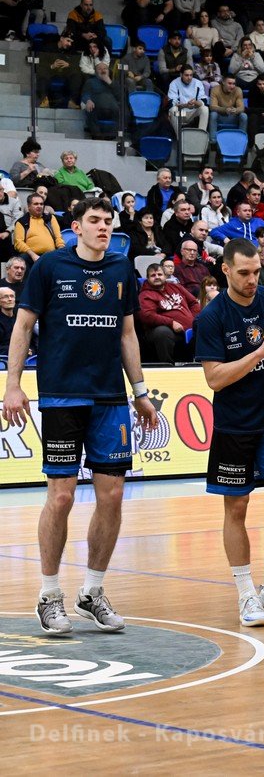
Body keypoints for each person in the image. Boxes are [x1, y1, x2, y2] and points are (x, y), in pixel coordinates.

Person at [4, 196, 158, 637]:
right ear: (76, 227)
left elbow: (128, 334)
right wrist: (13, 385)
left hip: (110, 398)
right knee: (62, 497)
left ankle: (92, 591)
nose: (103, 227)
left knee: (113, 495)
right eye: (94, 220)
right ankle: (48, 594)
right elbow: (23, 326)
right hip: (61, 396)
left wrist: (140, 392)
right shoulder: (50, 267)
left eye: (108, 221)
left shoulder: (120, 269)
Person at [194, 237, 264, 627]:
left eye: (257, 271)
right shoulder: (212, 317)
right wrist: (260, 352)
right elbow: (214, 378)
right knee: (237, 508)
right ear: (225, 270)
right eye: (244, 272)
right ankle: (246, 594)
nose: (252, 279)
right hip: (234, 426)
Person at [137, 261, 201, 362]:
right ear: (147, 278)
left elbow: (194, 303)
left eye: (159, 274)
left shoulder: (176, 287)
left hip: (189, 328)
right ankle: (167, 366)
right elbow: (147, 315)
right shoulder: (145, 295)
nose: (157, 277)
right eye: (153, 275)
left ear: (165, 276)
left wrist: (193, 319)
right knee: (162, 332)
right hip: (165, 331)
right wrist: (171, 323)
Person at [13, 192, 65, 265]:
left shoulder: (50, 218)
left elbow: (58, 237)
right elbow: (18, 243)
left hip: (50, 254)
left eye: (41, 204)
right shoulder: (22, 222)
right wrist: (32, 255)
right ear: (29, 206)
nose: (39, 206)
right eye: (36, 204)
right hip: (30, 256)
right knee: (22, 258)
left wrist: (61, 250)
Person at [167, 65, 209, 134]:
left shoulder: (198, 83)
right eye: (186, 75)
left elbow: (203, 101)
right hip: (181, 113)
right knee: (173, 110)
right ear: (181, 75)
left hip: (193, 112)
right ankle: (179, 137)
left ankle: (201, 136)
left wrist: (195, 102)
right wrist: (185, 105)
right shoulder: (174, 83)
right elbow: (172, 104)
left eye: (191, 75)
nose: (189, 78)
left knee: (205, 109)